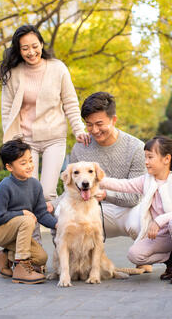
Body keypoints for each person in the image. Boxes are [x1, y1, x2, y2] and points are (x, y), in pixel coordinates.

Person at [52, 91, 151, 271]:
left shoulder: (136, 147)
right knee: (60, 211)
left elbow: (136, 197)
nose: (95, 130)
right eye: (89, 125)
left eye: (99, 124)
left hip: (124, 209)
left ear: (113, 120)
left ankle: (143, 256)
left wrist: (105, 195)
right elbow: (71, 191)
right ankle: (70, 264)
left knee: (141, 219)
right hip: (91, 209)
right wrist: (51, 205)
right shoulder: (81, 147)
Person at [0, 24, 89, 206]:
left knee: (47, 193)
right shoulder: (13, 74)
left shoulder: (58, 69)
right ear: (19, 50)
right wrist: (12, 142)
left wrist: (79, 129)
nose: (31, 52)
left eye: (34, 46)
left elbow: (70, 102)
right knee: (27, 194)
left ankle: (58, 233)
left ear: (41, 44)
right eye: (25, 48)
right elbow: (6, 109)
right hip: (25, 140)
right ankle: (33, 236)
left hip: (53, 138)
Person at [99, 135, 172, 284]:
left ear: (166, 159)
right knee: (135, 255)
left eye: (150, 157)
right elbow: (123, 185)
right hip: (165, 236)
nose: (146, 162)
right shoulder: (146, 180)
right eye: (145, 157)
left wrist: (157, 221)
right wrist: (97, 179)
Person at [0, 138, 57, 284]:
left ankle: (3, 256)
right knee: (28, 219)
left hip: (18, 232)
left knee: (41, 258)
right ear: (9, 167)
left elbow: (41, 213)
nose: (29, 165)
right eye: (23, 163)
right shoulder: (5, 186)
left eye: (30, 160)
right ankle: (21, 267)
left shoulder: (35, 185)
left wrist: (57, 224)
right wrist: (22, 213)